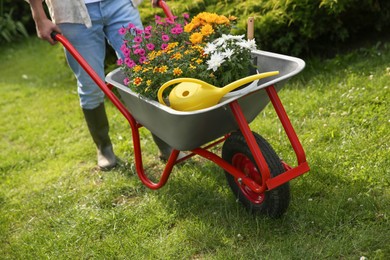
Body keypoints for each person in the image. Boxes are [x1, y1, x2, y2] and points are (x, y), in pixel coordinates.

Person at [27, 0, 174, 170]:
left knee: (144, 74)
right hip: (72, 13)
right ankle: (103, 147)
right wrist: (39, 15)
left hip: (120, 4)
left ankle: (166, 142)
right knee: (90, 85)